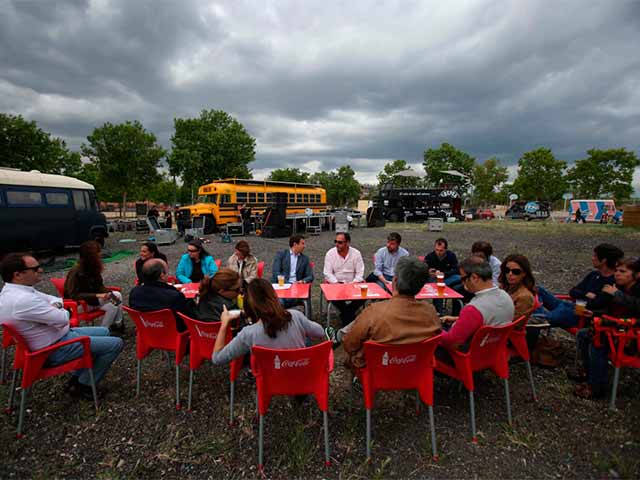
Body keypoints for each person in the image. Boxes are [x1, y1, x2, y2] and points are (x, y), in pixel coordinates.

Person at [0, 253, 123, 400]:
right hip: (52, 349)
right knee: (116, 343)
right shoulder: (23, 300)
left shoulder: (14, 291)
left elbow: (56, 300)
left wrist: (57, 307)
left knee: (104, 331)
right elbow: (64, 316)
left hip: (54, 336)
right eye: (35, 268)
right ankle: (84, 386)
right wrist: (61, 309)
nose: (40, 270)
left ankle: (78, 378)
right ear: (18, 274)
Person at [341, 257, 440, 369]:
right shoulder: (430, 312)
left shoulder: (374, 311)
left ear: (395, 280)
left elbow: (350, 345)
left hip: (376, 370)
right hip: (416, 368)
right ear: (421, 286)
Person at [212, 279, 325, 365]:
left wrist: (224, 325)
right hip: (301, 375)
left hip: (270, 382)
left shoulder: (248, 333)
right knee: (305, 338)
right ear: (274, 296)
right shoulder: (295, 315)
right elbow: (320, 332)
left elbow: (217, 358)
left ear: (248, 305)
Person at [573, 258, 640, 399]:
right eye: (616, 271)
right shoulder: (618, 287)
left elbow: (636, 306)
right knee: (583, 334)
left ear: (637, 275)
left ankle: (596, 387)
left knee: (598, 342)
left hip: (631, 337)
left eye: (622, 271)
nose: (617, 274)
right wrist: (594, 313)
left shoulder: (634, 290)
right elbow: (609, 311)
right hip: (615, 330)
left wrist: (616, 294)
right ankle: (587, 372)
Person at [533, 243, 624, 328]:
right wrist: (585, 294)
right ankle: (538, 317)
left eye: (595, 256)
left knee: (541, 319)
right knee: (538, 290)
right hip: (570, 306)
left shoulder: (612, 282)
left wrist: (581, 296)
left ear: (604, 260)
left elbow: (596, 304)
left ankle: (536, 319)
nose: (592, 258)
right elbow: (573, 291)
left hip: (581, 314)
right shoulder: (593, 275)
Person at [439, 256, 514, 352]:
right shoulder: (506, 297)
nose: (462, 283)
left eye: (463, 278)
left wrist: (435, 328)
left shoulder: (474, 308)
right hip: (494, 350)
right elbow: (489, 318)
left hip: (468, 356)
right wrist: (458, 319)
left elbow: (450, 342)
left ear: (474, 277)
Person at [64, 240, 123, 330]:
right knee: (117, 296)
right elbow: (73, 294)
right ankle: (118, 324)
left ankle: (104, 330)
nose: (100, 255)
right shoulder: (75, 271)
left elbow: (99, 286)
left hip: (92, 301)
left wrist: (107, 293)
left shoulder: (93, 267)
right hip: (79, 305)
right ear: (91, 256)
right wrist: (98, 295)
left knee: (113, 304)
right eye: (98, 252)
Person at [129, 259, 192, 331]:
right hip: (172, 336)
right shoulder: (175, 297)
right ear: (162, 275)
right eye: (167, 272)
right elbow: (186, 321)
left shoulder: (135, 292)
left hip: (146, 332)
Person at [323, 232, 366, 327]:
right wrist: (336, 283)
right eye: (336, 241)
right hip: (336, 284)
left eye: (340, 242)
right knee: (333, 296)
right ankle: (349, 317)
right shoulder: (330, 253)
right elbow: (327, 273)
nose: (337, 244)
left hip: (353, 284)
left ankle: (346, 314)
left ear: (347, 243)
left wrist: (353, 283)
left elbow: (360, 273)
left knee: (364, 296)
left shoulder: (356, 253)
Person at [272, 235, 314, 308]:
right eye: (302, 243)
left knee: (282, 302)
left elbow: (310, 276)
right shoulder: (281, 254)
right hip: (282, 286)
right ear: (295, 244)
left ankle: (285, 312)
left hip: (296, 287)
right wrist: (288, 283)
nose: (304, 246)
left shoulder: (305, 259)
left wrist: (303, 281)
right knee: (280, 300)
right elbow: (276, 272)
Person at [498, 254, 536, 321]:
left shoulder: (525, 296)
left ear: (524, 273)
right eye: (507, 270)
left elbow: (515, 322)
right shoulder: (504, 286)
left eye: (516, 272)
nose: (510, 274)